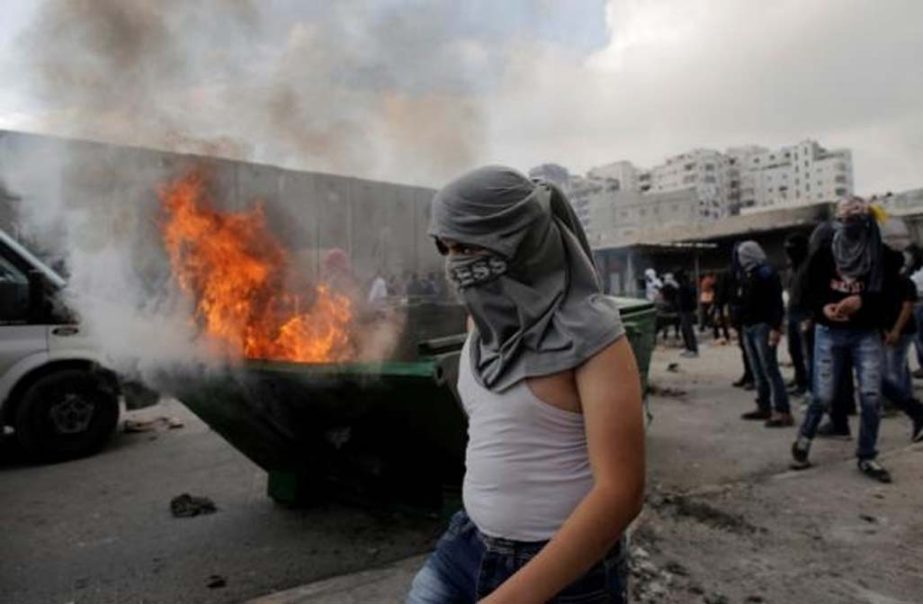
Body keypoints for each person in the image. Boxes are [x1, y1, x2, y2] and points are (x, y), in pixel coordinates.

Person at [407, 166, 644, 603]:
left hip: (569, 576)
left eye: (468, 246)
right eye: (448, 247)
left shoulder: (593, 335)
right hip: (466, 548)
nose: (456, 264)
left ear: (517, 241)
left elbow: (621, 493)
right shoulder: (480, 325)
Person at [792, 197, 893, 482]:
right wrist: (823, 308)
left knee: (871, 397)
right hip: (829, 332)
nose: (849, 227)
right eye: (844, 221)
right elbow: (809, 291)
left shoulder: (879, 254)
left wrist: (862, 301)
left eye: (855, 222)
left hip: (865, 333)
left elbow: (890, 294)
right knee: (822, 394)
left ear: (866, 223)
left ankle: (867, 455)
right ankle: (804, 440)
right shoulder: (825, 253)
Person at [736, 241, 792, 427]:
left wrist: (776, 328)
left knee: (770, 369)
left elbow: (776, 302)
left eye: (744, 254)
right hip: (749, 326)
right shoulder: (749, 274)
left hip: (763, 326)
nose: (741, 259)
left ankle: (782, 410)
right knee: (758, 370)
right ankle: (764, 406)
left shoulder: (766, 273)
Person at [783, 234, 811, 397]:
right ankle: (800, 380)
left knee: (807, 351)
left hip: (805, 312)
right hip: (792, 311)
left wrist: (811, 316)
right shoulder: (792, 268)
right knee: (794, 350)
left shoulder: (809, 266)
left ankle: (810, 386)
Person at [676, 269, 699, 358]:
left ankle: (693, 349)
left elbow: (689, 297)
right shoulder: (683, 285)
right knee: (685, 330)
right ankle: (688, 348)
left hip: (687, 310)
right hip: (684, 310)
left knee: (688, 330)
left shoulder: (686, 286)